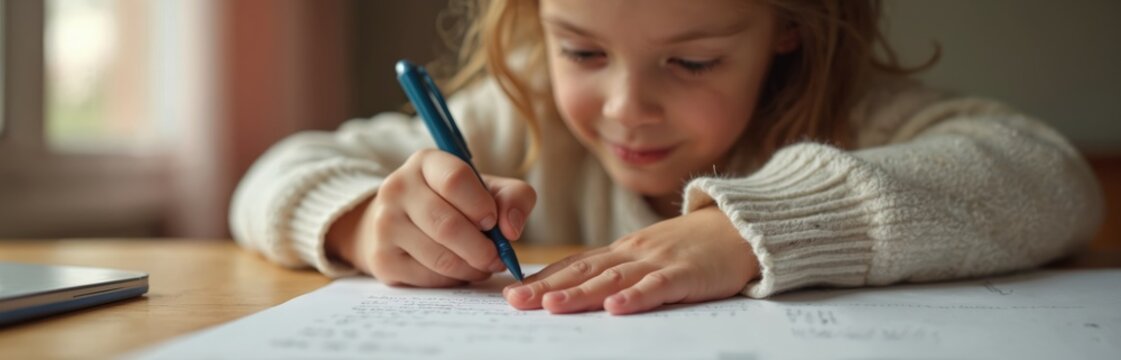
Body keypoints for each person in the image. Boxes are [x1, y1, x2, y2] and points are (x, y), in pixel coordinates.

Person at [229, 0, 1103, 315]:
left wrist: (746, 230)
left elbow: (1046, 174)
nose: (623, 108)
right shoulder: (524, 113)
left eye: (690, 62)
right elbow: (278, 171)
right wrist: (358, 219)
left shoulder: (855, 117)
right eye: (580, 50)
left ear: (788, 32)